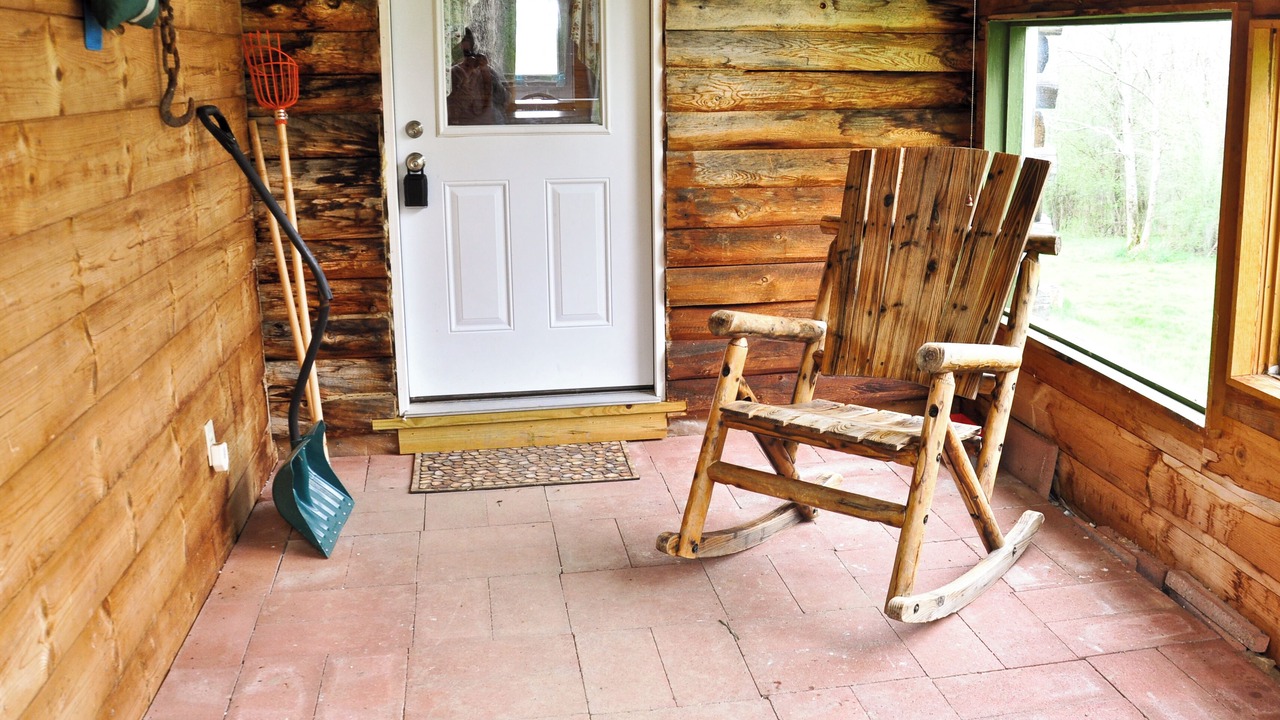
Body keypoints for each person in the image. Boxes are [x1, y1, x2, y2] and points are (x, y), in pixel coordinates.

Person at [446, 28, 508, 125]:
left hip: (487, 123)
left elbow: (503, 98)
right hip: (464, 125)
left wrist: (485, 72)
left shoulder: (487, 71)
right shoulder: (453, 73)